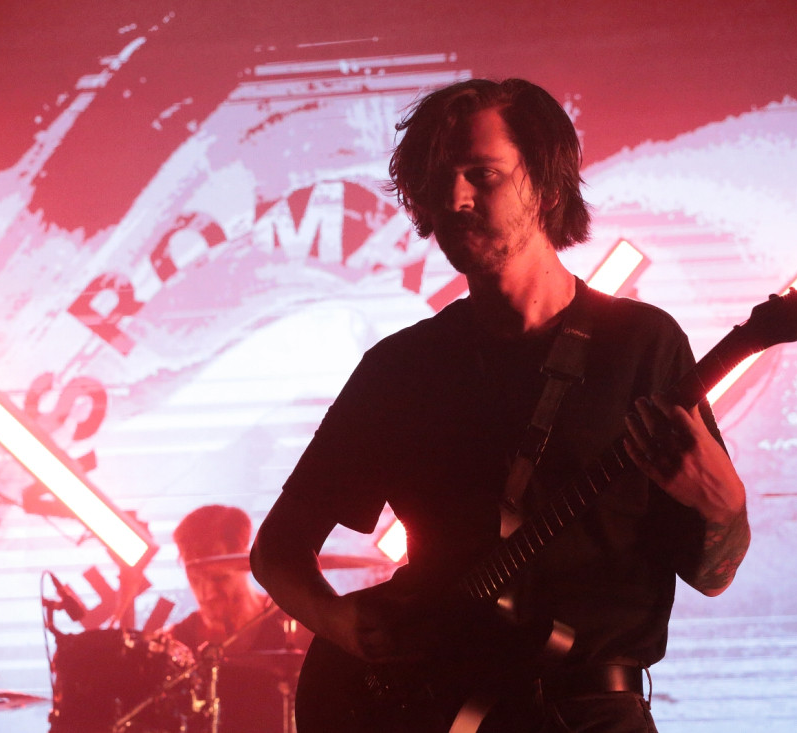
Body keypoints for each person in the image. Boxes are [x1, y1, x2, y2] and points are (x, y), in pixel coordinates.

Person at [250, 78, 750, 732]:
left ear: (546, 186)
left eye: (481, 174)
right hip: (441, 714)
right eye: (439, 180)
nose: (454, 198)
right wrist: (341, 623)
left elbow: (711, 574)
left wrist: (725, 504)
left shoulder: (641, 345)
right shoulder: (402, 369)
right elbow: (277, 551)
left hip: (594, 711)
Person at [169, 504, 302, 732]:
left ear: (245, 560)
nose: (207, 593)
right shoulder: (174, 645)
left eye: (218, 578)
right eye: (195, 579)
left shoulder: (295, 628)